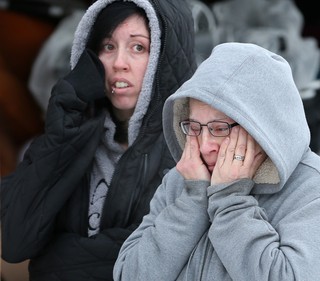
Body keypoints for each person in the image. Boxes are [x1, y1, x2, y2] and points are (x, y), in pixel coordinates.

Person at [113, 42, 320, 281]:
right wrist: (192, 200)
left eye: (219, 128)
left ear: (261, 126)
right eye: (194, 127)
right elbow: (129, 275)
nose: (205, 146)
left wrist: (230, 200)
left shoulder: (318, 188)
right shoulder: (184, 177)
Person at [1, 0, 196, 280]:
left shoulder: (189, 153)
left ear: (164, 57)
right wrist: (63, 129)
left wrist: (53, 261)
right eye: (108, 46)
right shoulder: (69, 136)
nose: (119, 63)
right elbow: (15, 243)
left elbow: (162, 264)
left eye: (138, 47)